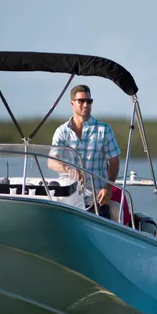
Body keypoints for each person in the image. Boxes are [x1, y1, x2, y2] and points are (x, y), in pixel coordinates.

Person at [48, 84, 121, 220]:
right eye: (81, 101)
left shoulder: (104, 130)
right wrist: (68, 168)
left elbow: (114, 163)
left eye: (89, 101)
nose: (86, 105)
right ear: (72, 103)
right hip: (67, 198)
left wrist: (108, 188)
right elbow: (51, 162)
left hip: (96, 199)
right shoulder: (62, 132)